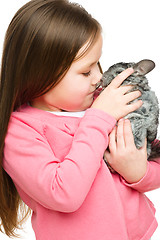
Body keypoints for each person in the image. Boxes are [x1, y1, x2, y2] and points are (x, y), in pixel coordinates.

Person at [0, 0, 159, 239]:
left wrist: (137, 172)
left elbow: (150, 154)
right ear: (40, 74)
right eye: (86, 71)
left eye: (98, 63)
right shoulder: (19, 131)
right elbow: (64, 194)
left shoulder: (101, 102)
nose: (99, 77)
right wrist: (99, 118)